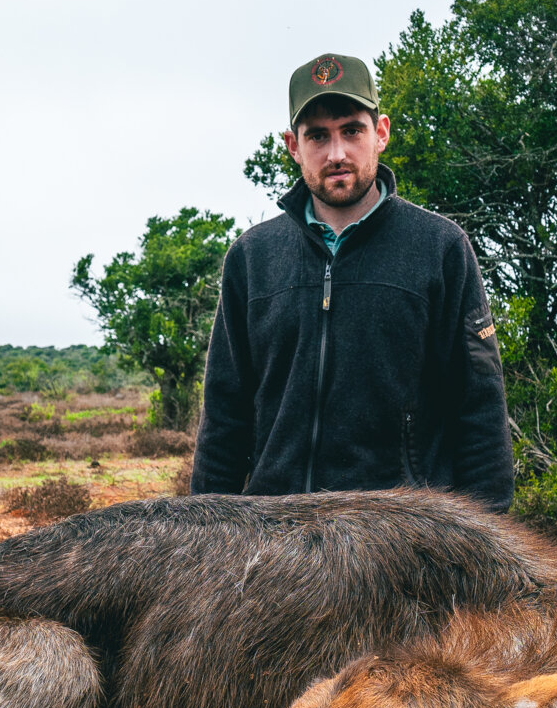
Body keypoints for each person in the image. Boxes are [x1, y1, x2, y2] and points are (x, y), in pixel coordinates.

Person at [189, 52, 515, 512]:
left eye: (351, 130)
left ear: (380, 132)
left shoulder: (440, 248)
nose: (336, 153)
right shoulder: (251, 257)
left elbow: (479, 410)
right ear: (292, 146)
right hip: (275, 540)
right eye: (317, 136)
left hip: (402, 540)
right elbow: (224, 418)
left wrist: (488, 549)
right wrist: (206, 534)